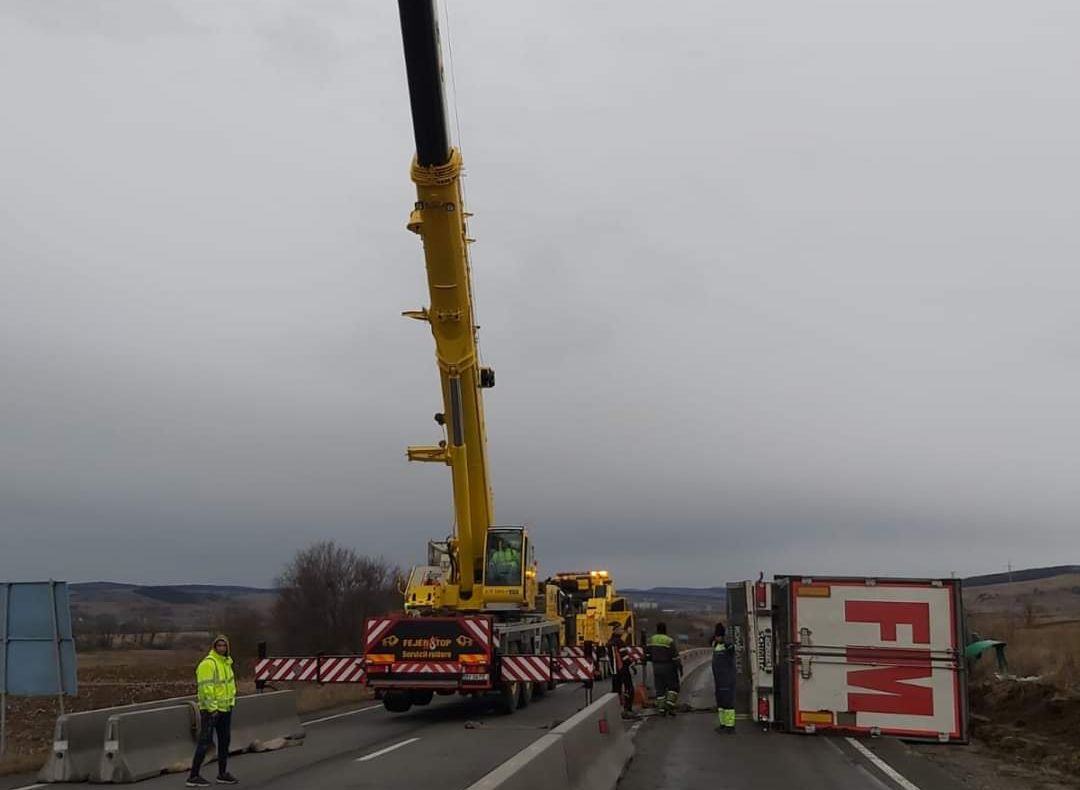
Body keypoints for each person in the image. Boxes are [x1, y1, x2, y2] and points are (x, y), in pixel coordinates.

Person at [186, 635, 238, 787]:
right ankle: (193, 776)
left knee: (224, 741)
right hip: (211, 711)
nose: (222, 648)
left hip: (226, 708)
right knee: (205, 742)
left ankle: (222, 773)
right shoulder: (208, 664)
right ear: (214, 647)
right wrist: (212, 708)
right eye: (219, 645)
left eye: (224, 646)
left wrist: (231, 703)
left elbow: (229, 686)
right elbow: (205, 688)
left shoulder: (227, 663)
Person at [646, 622, 681, 716]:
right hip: (668, 666)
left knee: (660, 688)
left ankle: (661, 709)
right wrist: (679, 667)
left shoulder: (651, 640)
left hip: (656, 667)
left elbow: (647, 655)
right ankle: (669, 705)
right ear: (665, 629)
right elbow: (675, 657)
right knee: (673, 687)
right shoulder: (669, 641)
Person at [606, 623, 637, 717]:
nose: (622, 631)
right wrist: (632, 665)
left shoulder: (609, 642)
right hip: (622, 668)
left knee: (616, 690)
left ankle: (615, 710)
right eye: (620, 629)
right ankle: (628, 709)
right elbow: (624, 656)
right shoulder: (619, 642)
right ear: (615, 631)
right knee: (629, 689)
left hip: (614, 670)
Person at [711, 622, 736, 733]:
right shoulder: (715, 645)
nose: (718, 638)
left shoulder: (728, 646)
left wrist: (726, 642)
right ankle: (723, 723)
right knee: (720, 703)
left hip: (726, 679)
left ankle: (730, 726)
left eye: (719, 636)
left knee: (727, 703)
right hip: (718, 680)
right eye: (716, 636)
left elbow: (732, 649)